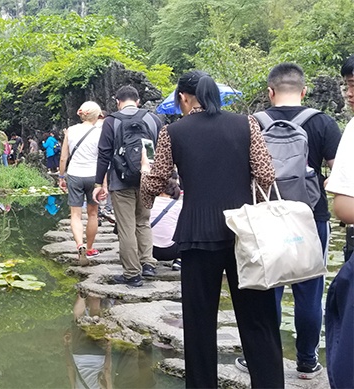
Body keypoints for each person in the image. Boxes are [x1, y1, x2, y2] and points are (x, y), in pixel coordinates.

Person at [140, 71, 283, 388]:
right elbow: (266, 174)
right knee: (258, 320)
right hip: (243, 234)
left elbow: (158, 178)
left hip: (196, 234)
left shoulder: (172, 132)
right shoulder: (245, 124)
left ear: (184, 99)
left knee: (199, 323)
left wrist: (145, 199)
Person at [234, 62, 341, 379]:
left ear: (270, 92)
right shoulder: (323, 123)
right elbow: (337, 174)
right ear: (304, 90)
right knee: (310, 290)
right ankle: (307, 361)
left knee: (269, 288)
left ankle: (262, 359)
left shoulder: (252, 123)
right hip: (310, 217)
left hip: (265, 216)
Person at [93, 86, 161, 287]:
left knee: (126, 227)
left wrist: (99, 183)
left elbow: (104, 154)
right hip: (146, 179)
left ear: (117, 102)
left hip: (120, 181)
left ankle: (132, 273)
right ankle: (148, 263)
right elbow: (158, 151)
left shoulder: (111, 121)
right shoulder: (153, 119)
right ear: (138, 101)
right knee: (143, 221)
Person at [324, 54, 354, 389]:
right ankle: (306, 360)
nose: (348, 93)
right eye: (347, 84)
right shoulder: (325, 124)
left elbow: (344, 206)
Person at [58, 101, 103, 265]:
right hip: (93, 175)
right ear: (96, 116)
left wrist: (61, 177)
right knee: (93, 213)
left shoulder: (71, 131)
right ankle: (90, 248)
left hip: (75, 175)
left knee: (76, 214)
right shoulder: (100, 133)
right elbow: (103, 158)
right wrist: (102, 184)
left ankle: (79, 245)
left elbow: (64, 157)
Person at [149, 172, 182, 271]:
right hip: (172, 251)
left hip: (149, 249)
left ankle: (146, 262)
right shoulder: (179, 205)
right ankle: (179, 260)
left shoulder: (148, 203)